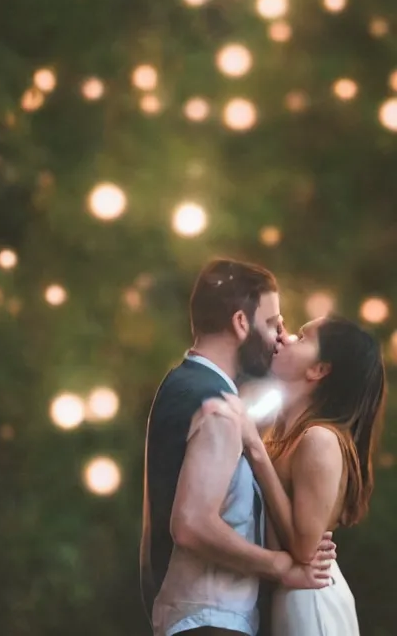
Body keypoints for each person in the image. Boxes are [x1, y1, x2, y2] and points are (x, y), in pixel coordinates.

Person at [140, 259, 336, 636]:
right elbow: (192, 525)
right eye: (272, 323)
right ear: (240, 323)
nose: (281, 336)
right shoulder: (213, 403)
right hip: (209, 620)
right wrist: (281, 566)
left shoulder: (193, 387)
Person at [198, 314, 386, 635]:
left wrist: (256, 451)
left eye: (302, 336)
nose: (285, 337)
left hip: (311, 605)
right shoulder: (279, 432)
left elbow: (303, 550)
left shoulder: (319, 439)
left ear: (319, 370)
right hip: (286, 600)